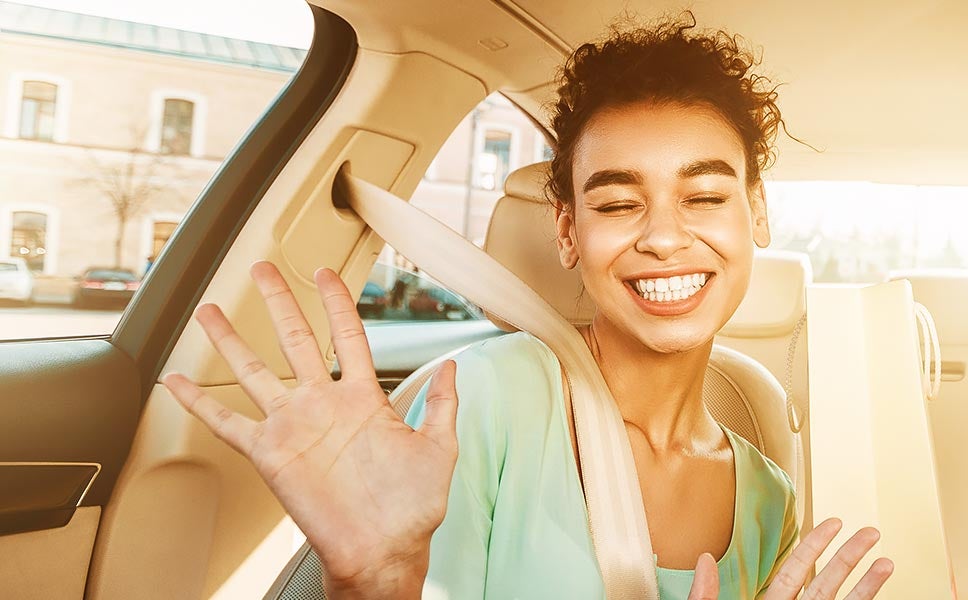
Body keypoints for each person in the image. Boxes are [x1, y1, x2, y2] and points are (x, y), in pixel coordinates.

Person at [161, 18, 893, 600]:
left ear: (755, 213)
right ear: (569, 232)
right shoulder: (482, 400)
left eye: (704, 197)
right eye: (617, 202)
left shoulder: (772, 500)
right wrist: (376, 584)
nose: (666, 237)